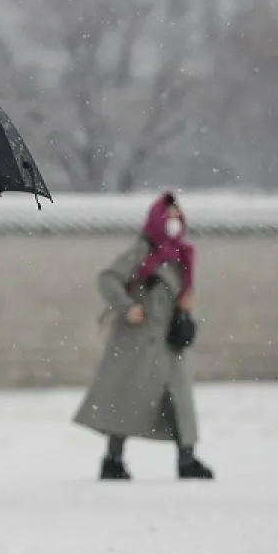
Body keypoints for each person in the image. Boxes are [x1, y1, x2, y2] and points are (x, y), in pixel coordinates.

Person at [73, 192, 214, 481]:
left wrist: (184, 308)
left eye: (177, 217)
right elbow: (108, 278)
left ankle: (186, 459)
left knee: (180, 400)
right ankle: (113, 460)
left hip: (167, 342)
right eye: (169, 217)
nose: (174, 223)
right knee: (126, 399)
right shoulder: (142, 252)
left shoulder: (181, 256)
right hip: (137, 341)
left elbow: (178, 293)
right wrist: (127, 307)